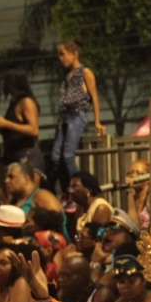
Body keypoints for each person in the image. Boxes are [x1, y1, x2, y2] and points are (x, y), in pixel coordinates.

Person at [48, 41, 105, 195]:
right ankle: (65, 188)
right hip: (64, 117)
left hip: (76, 115)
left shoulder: (85, 72)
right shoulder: (68, 76)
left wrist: (97, 121)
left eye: (63, 54)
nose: (61, 58)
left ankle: (78, 187)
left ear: (74, 54)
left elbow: (94, 96)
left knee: (68, 155)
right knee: (55, 156)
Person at [0, 69, 42, 171]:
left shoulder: (26, 102)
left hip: (25, 154)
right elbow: (13, 128)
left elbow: (34, 130)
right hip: (11, 155)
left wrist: (6, 123)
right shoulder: (13, 104)